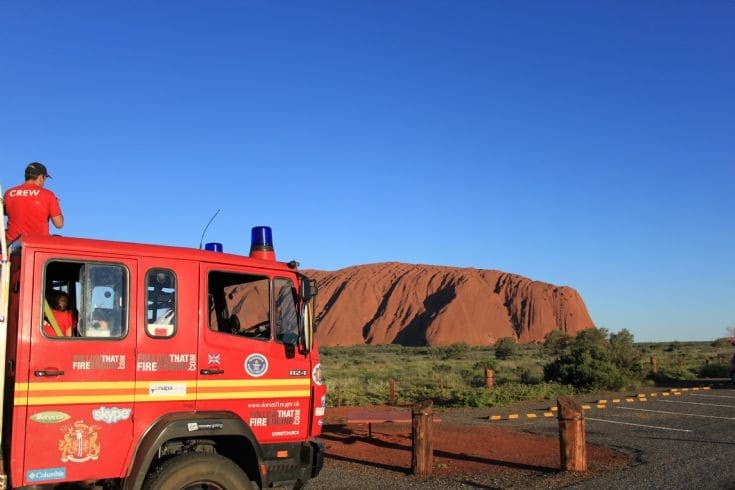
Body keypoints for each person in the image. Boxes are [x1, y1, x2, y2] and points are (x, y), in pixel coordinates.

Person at [4, 162, 64, 242]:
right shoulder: (48, 194)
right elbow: (59, 224)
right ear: (41, 177)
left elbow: (5, 212)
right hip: (37, 245)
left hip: (11, 246)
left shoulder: (9, 193)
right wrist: (56, 205)